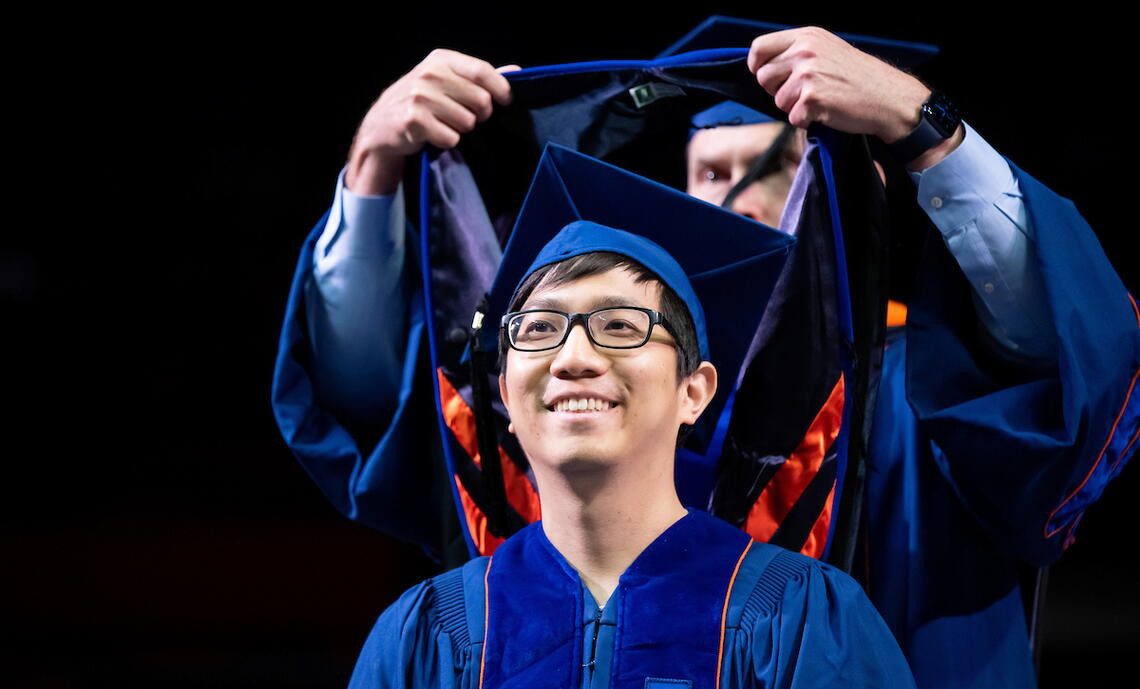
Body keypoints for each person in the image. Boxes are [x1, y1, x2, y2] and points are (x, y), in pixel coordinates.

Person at [272, 23, 1140, 689]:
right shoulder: (588, 411)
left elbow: (1067, 360)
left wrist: (926, 130)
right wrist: (373, 170)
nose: (733, 199)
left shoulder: (917, 387)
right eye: (708, 176)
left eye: (766, 168)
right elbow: (374, 402)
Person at [345, 145, 916, 688]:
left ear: (694, 392)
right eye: (539, 330)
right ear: (507, 400)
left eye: (620, 326)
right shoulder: (427, 635)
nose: (572, 358)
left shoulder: (797, 614)